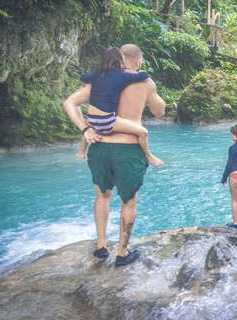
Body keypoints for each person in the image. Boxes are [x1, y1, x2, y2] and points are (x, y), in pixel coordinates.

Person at [63, 44, 165, 266]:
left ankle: (101, 247)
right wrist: (153, 94)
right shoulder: (144, 81)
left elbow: (70, 103)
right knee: (128, 201)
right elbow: (159, 111)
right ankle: (122, 252)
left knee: (102, 196)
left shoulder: (97, 79)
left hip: (99, 148)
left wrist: (85, 128)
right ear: (137, 61)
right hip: (128, 151)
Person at [75, 46, 163, 167]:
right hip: (119, 135)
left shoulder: (96, 76)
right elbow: (159, 111)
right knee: (143, 132)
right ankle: (149, 155)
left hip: (95, 130)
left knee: (87, 124)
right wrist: (144, 76)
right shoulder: (126, 77)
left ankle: (81, 151)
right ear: (137, 61)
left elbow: (80, 83)